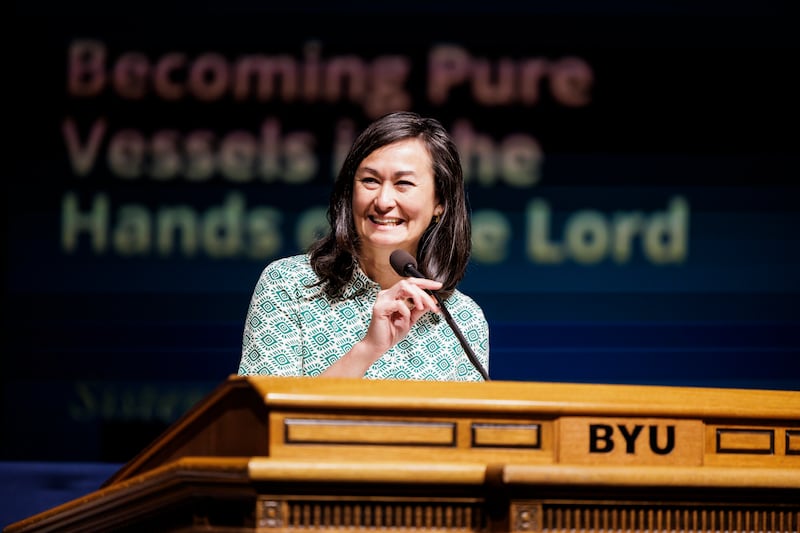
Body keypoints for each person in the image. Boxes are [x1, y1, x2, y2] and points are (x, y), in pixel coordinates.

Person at [238, 111, 489, 380]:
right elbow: (267, 417)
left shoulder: (462, 319)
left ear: (440, 203)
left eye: (403, 183)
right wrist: (369, 349)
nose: (383, 201)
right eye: (370, 180)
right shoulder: (289, 285)